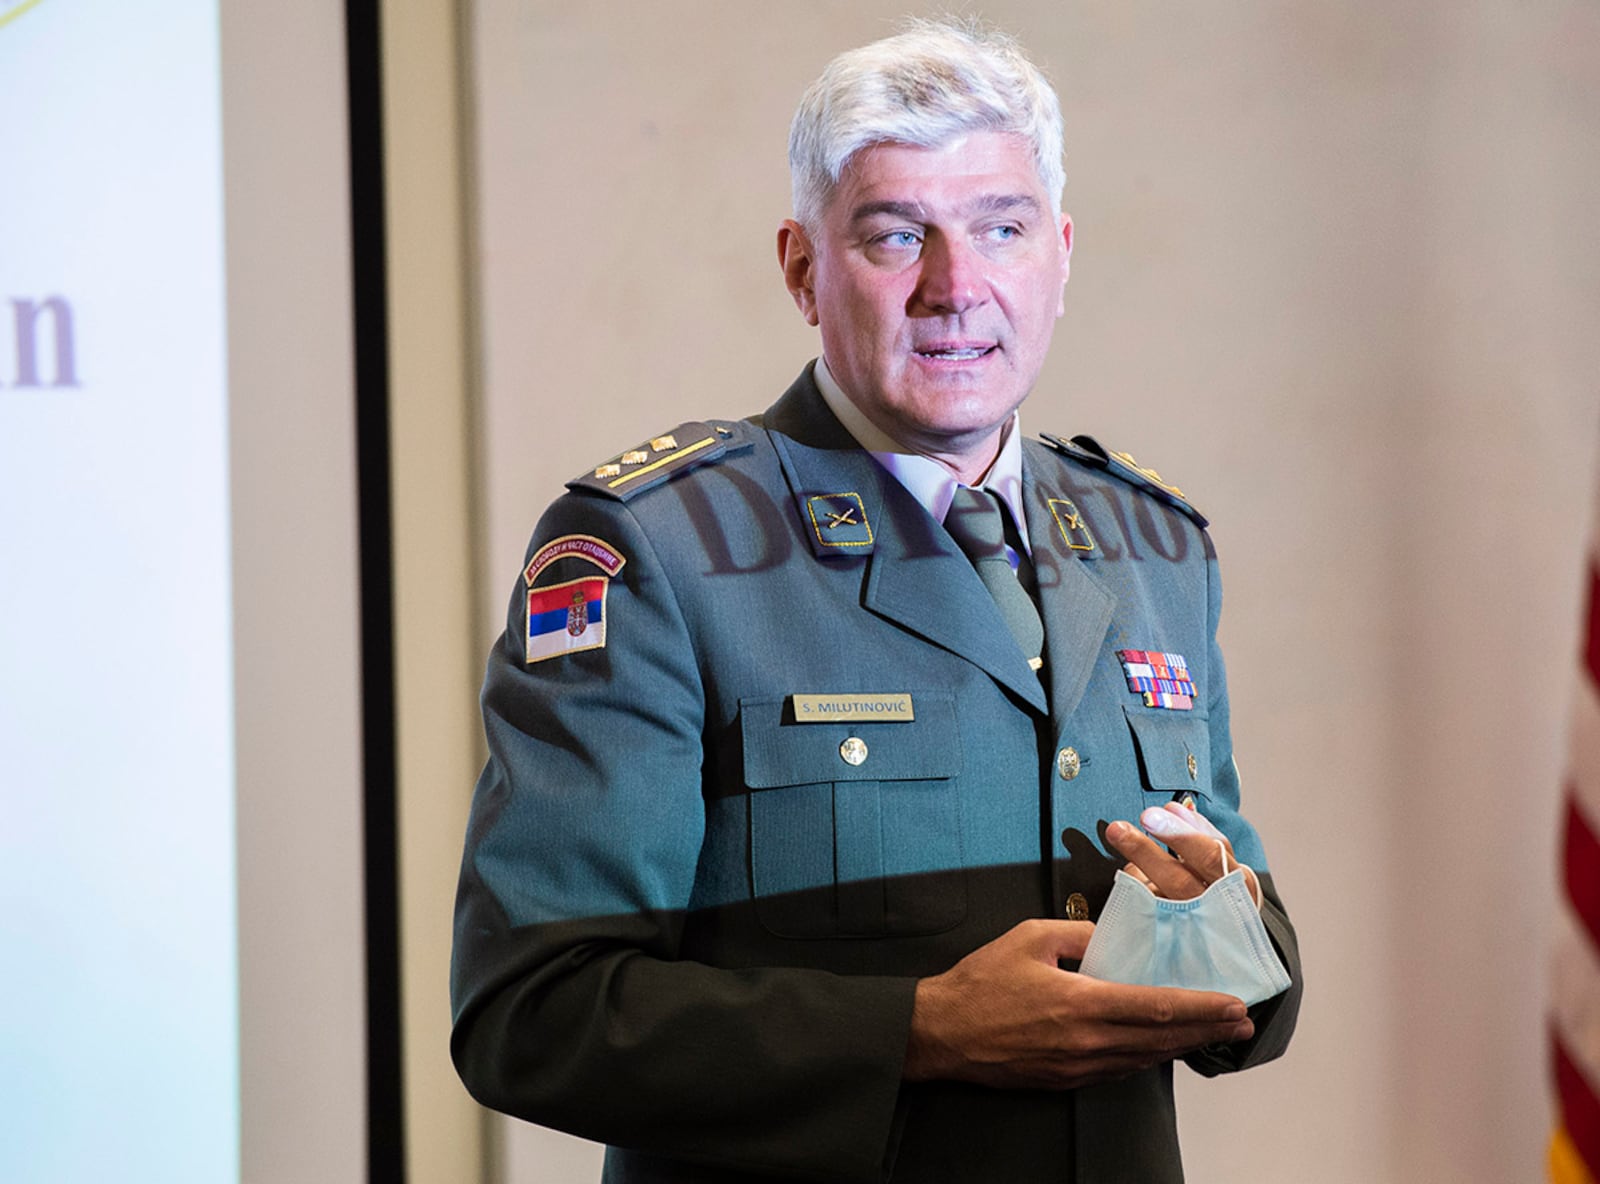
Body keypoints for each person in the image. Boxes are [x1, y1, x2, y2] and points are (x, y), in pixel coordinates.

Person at [451, 17, 1300, 1183]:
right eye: (897, 236)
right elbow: (528, 1010)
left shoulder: (1153, 543)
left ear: (1058, 251)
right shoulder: (654, 547)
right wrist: (920, 1029)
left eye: (999, 228)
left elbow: (1259, 969)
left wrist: (1221, 932)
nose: (956, 287)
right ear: (803, 268)